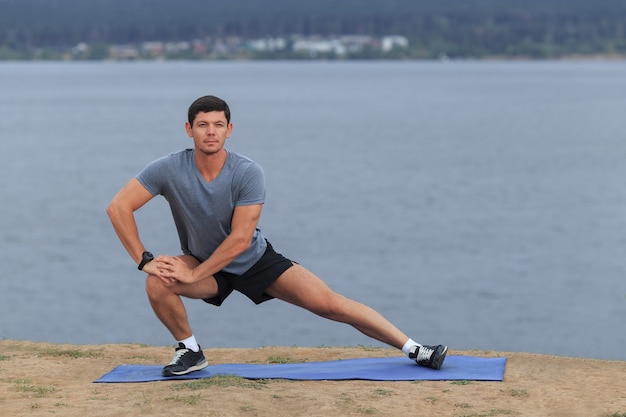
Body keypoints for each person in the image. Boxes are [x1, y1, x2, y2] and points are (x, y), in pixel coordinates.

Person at [107, 95, 447, 377]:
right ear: (189, 129)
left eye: (218, 125)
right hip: (202, 262)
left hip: (254, 261)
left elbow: (240, 239)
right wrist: (145, 260)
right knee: (157, 282)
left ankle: (415, 349)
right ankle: (190, 350)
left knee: (328, 304)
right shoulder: (168, 168)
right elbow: (119, 207)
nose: (210, 132)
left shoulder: (247, 172)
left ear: (229, 130)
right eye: (202, 125)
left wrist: (195, 273)